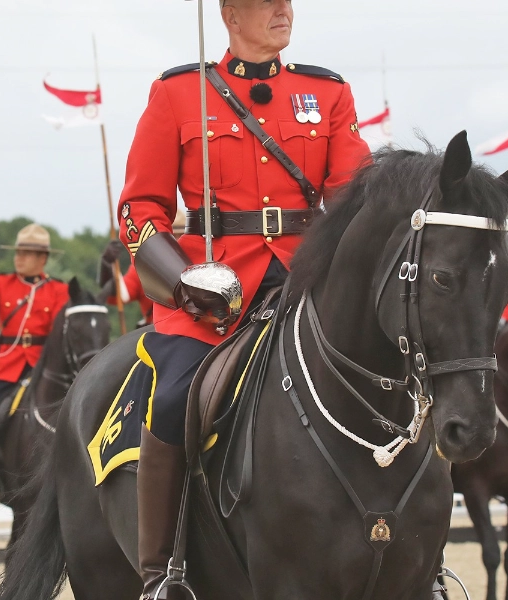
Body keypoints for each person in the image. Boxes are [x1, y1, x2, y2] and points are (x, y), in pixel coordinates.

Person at [117, 0, 370, 596]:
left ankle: (420, 559)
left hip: (310, 278)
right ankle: (162, 574)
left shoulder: (327, 93)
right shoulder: (178, 92)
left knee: (398, 375)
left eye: (287, 1)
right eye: (267, 2)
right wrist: (182, 281)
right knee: (174, 396)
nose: (284, 10)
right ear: (231, 15)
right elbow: (139, 209)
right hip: (214, 290)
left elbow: (354, 197)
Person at [0, 224, 70, 501]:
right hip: (8, 366)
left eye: (26, 253)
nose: (19, 258)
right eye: (18, 252)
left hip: (44, 366)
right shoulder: (1, 283)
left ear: (42, 258)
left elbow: (61, 332)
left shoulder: (58, 290)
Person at [99, 212, 187, 327]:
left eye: (181, 235)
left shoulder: (200, 265)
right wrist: (108, 264)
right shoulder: (144, 268)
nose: (177, 240)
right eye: (172, 236)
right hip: (157, 330)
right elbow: (120, 296)